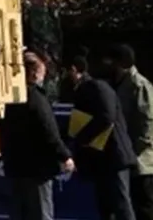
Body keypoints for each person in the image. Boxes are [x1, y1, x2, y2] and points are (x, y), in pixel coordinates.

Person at [0, 50, 73, 220]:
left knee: (19, 212)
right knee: (41, 212)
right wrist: (65, 156)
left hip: (16, 167)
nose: (43, 76)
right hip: (37, 169)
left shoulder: (11, 98)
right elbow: (48, 130)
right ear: (34, 73)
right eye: (42, 72)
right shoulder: (36, 98)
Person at [65, 53, 138, 220]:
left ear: (74, 70)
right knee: (107, 205)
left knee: (121, 205)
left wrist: (83, 138)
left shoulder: (96, 87)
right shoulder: (90, 88)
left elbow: (106, 117)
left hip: (113, 156)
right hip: (103, 158)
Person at [103, 44, 153, 220]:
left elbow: (147, 124)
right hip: (122, 158)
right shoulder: (115, 83)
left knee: (144, 208)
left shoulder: (139, 85)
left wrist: (135, 153)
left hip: (141, 162)